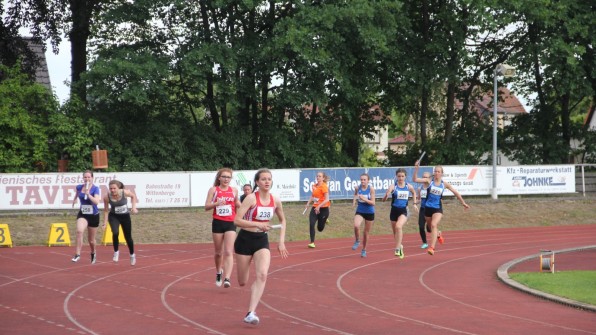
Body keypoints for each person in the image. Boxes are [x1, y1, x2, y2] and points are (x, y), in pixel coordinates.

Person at [234, 168, 289, 325]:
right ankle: (249, 286)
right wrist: (257, 223)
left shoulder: (275, 200)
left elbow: (283, 221)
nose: (267, 181)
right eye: (263, 179)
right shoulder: (251, 198)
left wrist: (281, 242)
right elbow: (237, 220)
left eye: (269, 179)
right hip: (244, 240)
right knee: (242, 281)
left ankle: (250, 312)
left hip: (261, 241)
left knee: (263, 275)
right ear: (257, 182)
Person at [413, 160, 470, 255]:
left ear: (442, 174)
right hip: (427, 208)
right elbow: (415, 179)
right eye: (435, 171)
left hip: (437, 208)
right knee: (430, 228)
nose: (436, 173)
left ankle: (432, 247)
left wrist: (463, 203)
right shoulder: (429, 181)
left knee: (434, 225)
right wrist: (416, 169)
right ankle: (438, 234)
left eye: (438, 171)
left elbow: (455, 192)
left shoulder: (444, 184)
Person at [205, 168, 241, 288]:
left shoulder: (234, 190)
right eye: (224, 177)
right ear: (219, 178)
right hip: (218, 223)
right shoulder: (213, 190)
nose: (226, 179)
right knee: (219, 252)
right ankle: (219, 271)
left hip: (231, 222)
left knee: (229, 251)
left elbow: (238, 204)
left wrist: (241, 206)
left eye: (228, 177)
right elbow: (206, 206)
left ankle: (227, 278)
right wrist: (216, 203)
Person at [382, 168, 417, 259]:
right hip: (394, 211)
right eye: (399, 176)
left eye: (402, 176)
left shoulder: (408, 186)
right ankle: (400, 246)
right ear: (396, 177)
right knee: (395, 233)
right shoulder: (393, 186)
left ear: (405, 177)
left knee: (398, 226)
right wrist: (386, 195)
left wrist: (414, 203)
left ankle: (397, 248)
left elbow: (414, 193)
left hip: (404, 210)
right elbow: (383, 200)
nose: (401, 178)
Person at [102, 179, 138, 265]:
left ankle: (132, 255)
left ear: (118, 188)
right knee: (115, 233)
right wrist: (105, 222)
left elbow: (133, 196)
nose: (112, 190)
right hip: (114, 216)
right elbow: (106, 210)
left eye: (114, 188)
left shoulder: (124, 192)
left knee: (128, 237)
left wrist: (133, 207)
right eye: (111, 188)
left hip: (125, 216)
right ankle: (116, 252)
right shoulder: (106, 197)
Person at [71, 170, 101, 263]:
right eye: (85, 177)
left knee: (91, 240)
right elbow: (77, 193)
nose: (87, 179)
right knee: (79, 231)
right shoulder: (79, 187)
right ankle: (77, 254)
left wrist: (88, 195)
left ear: (92, 178)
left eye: (89, 177)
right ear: (83, 178)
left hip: (93, 215)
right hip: (83, 214)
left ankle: (93, 252)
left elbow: (96, 202)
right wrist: (75, 199)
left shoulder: (95, 189)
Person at [303, 172, 330, 248]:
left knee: (320, 229)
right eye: (317, 176)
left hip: (324, 209)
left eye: (320, 176)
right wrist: (308, 203)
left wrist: (319, 206)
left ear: (323, 178)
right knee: (311, 224)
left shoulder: (324, 187)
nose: (318, 177)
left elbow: (327, 199)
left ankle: (325, 220)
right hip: (315, 208)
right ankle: (312, 242)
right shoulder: (314, 186)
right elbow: (312, 196)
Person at [352, 173, 375, 257]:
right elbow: (355, 194)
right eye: (361, 179)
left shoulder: (371, 189)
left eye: (364, 180)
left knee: (366, 233)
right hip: (360, 210)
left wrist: (364, 199)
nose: (363, 181)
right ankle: (357, 240)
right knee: (356, 225)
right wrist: (354, 202)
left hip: (369, 212)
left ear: (368, 181)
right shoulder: (358, 188)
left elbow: (373, 203)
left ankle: (364, 249)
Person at [416, 171, 431, 249]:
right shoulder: (420, 188)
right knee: (421, 227)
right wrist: (415, 203)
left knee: (429, 229)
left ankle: (438, 233)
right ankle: (425, 243)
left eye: (426, 177)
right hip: (422, 209)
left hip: (430, 209)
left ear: (429, 178)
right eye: (423, 177)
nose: (425, 178)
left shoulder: (431, 187)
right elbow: (419, 199)